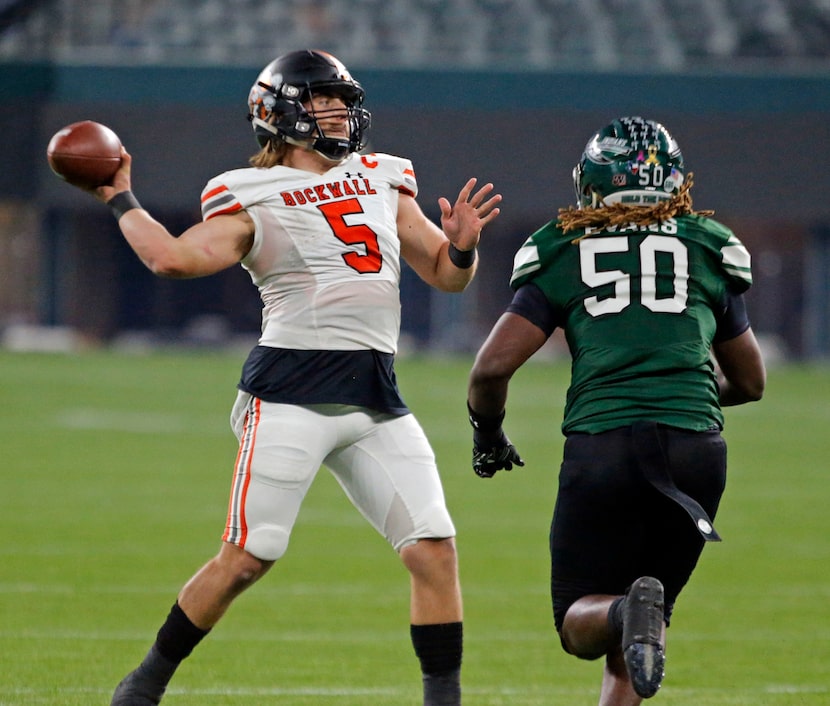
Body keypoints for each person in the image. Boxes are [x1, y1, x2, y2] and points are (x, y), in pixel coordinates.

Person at [86, 49, 501, 706]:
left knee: (434, 549)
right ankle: (143, 684)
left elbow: (447, 277)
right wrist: (121, 197)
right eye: (321, 98)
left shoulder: (382, 177)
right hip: (289, 397)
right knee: (247, 559)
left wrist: (464, 247)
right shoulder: (249, 192)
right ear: (278, 113)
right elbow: (171, 260)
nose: (339, 110)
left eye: (343, 98)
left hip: (373, 398)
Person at [466, 116, 765, 705]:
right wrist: (688, 400)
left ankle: (630, 607)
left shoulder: (562, 246)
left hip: (604, 445)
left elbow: (491, 369)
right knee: (637, 634)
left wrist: (488, 434)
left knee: (583, 621)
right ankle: (634, 610)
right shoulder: (708, 245)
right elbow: (750, 382)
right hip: (697, 451)